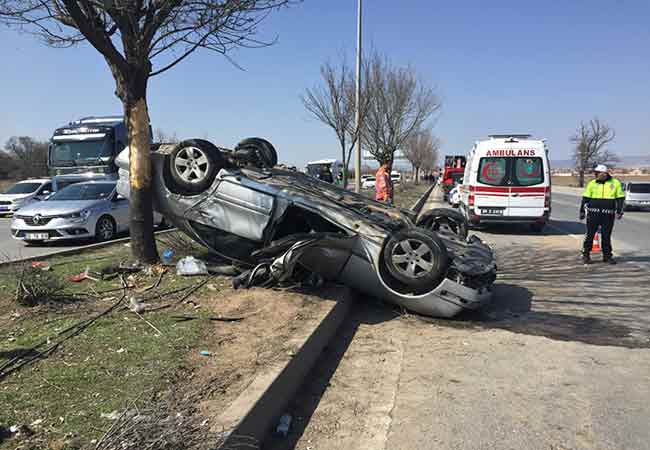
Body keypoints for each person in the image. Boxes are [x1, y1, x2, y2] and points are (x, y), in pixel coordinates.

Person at [579, 164, 625, 265]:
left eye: (597, 173)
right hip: (593, 214)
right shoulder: (592, 183)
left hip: (608, 214)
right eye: (595, 173)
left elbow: (620, 198)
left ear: (604, 173)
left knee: (606, 235)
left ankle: (607, 256)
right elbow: (585, 198)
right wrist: (582, 211)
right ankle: (586, 255)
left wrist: (619, 211)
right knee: (590, 235)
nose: (595, 175)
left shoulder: (615, 183)